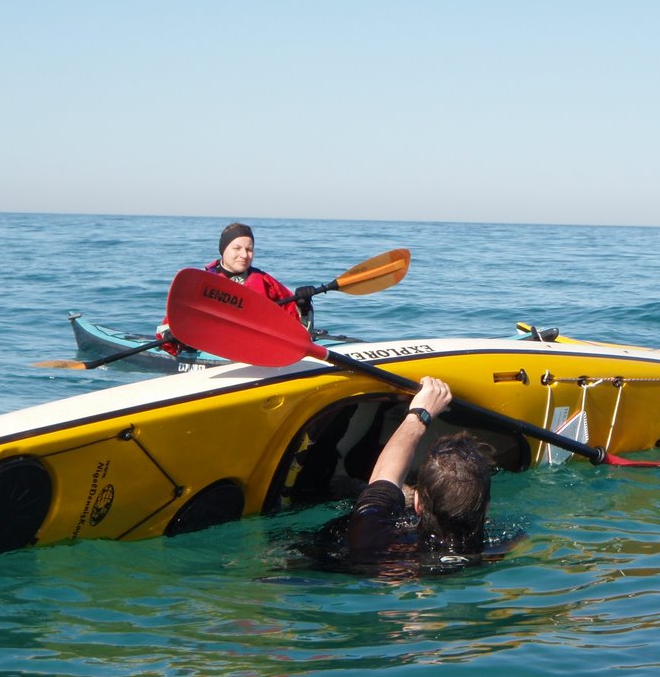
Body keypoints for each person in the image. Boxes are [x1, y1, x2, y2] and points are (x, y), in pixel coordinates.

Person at [293, 376, 498, 576]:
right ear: (486, 508)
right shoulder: (497, 547)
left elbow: (385, 475)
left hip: (327, 567)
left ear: (418, 504)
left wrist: (420, 413)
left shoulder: (374, 534)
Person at [158, 222, 318, 351]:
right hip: (213, 351)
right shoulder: (201, 284)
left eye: (249, 249)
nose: (244, 255)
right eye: (237, 248)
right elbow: (168, 326)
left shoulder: (265, 282)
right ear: (223, 250)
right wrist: (173, 334)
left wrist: (303, 307)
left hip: (257, 351)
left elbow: (300, 334)